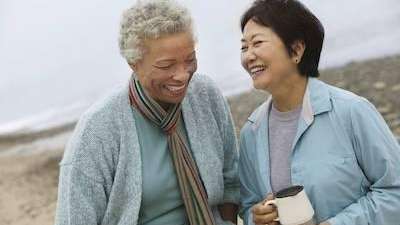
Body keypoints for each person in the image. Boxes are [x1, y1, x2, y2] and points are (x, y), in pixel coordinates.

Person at [54, 0, 239, 224]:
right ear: (134, 62)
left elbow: (231, 179)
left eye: (190, 59)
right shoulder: (97, 130)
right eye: (166, 65)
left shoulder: (205, 95)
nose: (182, 75)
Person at [238, 0, 400, 225]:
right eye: (244, 47)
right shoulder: (251, 133)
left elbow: (395, 192)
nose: (248, 56)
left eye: (257, 43)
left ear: (296, 49)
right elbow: (248, 206)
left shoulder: (352, 111)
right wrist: (255, 218)